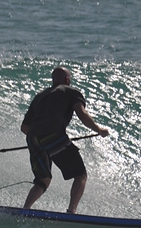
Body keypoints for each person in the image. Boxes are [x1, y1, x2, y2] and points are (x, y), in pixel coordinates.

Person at [20, 67, 109, 213]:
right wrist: (99, 130)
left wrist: (41, 141)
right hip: (53, 135)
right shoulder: (71, 92)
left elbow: (24, 127)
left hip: (33, 139)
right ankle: (71, 211)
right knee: (80, 175)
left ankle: (25, 210)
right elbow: (82, 114)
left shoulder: (40, 96)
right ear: (67, 79)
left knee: (43, 180)